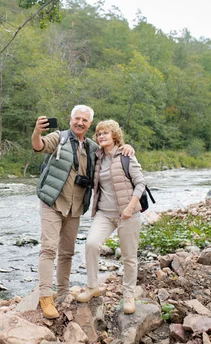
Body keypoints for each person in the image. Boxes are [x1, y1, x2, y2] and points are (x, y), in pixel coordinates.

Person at [32, 106, 134, 319]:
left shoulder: (92, 148)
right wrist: (37, 132)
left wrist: (127, 147)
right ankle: (45, 296)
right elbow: (39, 146)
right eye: (77, 118)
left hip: (76, 207)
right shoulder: (57, 138)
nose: (80, 122)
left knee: (67, 252)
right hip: (53, 201)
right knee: (49, 249)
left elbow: (111, 154)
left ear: (89, 125)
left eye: (85, 120)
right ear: (70, 119)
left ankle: (62, 292)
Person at [76, 119, 146, 315]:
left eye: (106, 133)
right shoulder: (97, 156)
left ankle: (129, 296)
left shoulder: (126, 155)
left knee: (129, 257)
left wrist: (130, 208)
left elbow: (141, 184)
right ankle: (92, 287)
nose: (101, 136)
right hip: (104, 214)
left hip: (128, 214)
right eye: (99, 134)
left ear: (114, 135)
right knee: (91, 244)